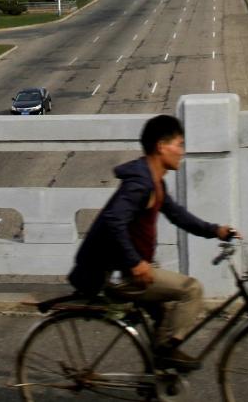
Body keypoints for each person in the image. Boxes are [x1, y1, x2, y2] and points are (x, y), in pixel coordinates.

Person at [68, 114, 238, 371]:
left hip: (128, 268)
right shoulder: (140, 184)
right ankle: (165, 355)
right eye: (179, 144)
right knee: (191, 290)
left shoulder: (153, 182)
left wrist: (217, 231)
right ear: (161, 146)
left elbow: (178, 216)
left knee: (167, 314)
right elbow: (114, 221)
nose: (182, 151)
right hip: (118, 274)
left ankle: (155, 376)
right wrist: (135, 263)